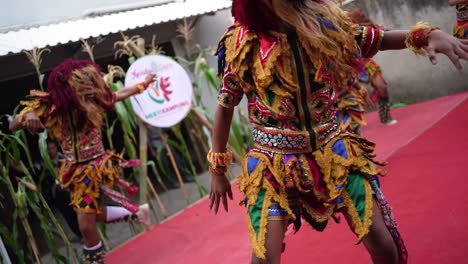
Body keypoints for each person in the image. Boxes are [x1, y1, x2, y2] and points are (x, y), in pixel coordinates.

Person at [207, 1, 468, 264]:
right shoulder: (244, 42)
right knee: (264, 258)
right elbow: (225, 105)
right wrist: (218, 168)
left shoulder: (322, 24)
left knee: (383, 243)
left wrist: (426, 35)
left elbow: (378, 38)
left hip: (335, 153)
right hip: (274, 165)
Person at [9, 59, 155, 263]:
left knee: (85, 225)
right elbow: (13, 125)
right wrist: (28, 115)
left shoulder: (93, 99)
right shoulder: (51, 105)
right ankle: (137, 213)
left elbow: (118, 94)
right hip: (74, 172)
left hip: (93, 169)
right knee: (90, 216)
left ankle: (96, 259)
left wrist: (141, 85)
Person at [33, 139, 82, 239]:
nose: (51, 151)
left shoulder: (65, 158)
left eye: (52, 148)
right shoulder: (42, 164)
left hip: (72, 190)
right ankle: (80, 235)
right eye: (48, 149)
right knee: (68, 215)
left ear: (56, 148)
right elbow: (31, 171)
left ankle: (88, 230)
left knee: (82, 210)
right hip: (57, 194)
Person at [147, 125, 194, 189]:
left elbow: (167, 127)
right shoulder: (145, 126)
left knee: (177, 160)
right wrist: (152, 150)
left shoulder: (157, 120)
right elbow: (147, 140)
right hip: (156, 145)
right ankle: (174, 182)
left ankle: (187, 176)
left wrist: (166, 135)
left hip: (166, 141)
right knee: (165, 165)